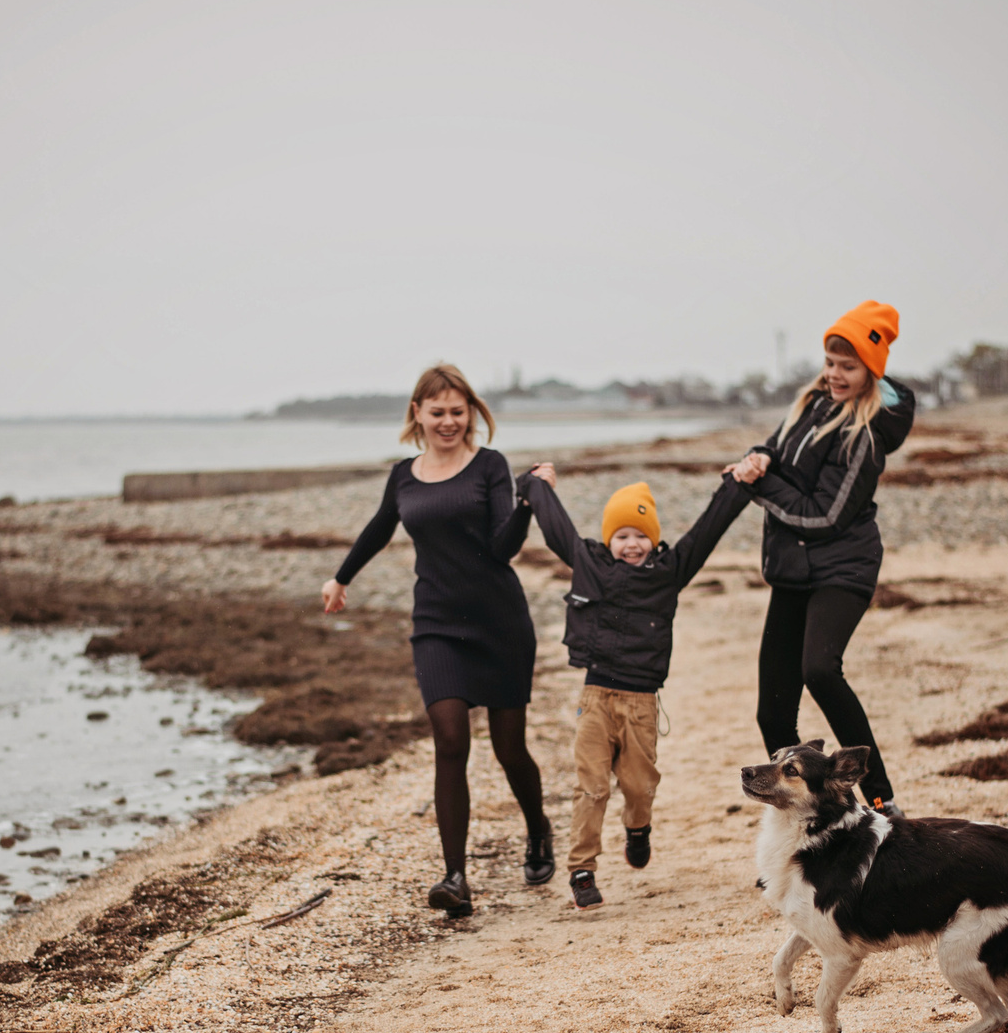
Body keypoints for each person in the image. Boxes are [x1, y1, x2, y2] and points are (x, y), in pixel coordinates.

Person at [324, 364, 555, 917]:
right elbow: (381, 527)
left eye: (458, 411)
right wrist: (341, 577)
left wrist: (525, 503)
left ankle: (539, 828)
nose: (448, 421)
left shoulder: (490, 466)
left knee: (509, 750)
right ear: (417, 415)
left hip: (499, 624)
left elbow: (502, 549)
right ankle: (455, 878)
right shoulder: (403, 474)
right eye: (438, 412)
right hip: (436, 626)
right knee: (450, 739)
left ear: (471, 412)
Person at [519, 466, 759, 907]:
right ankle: (582, 870)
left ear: (654, 539)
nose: (631, 544)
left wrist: (738, 485)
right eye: (622, 535)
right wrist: (535, 484)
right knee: (591, 785)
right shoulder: (590, 564)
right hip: (595, 698)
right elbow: (558, 530)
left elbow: (707, 530)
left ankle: (637, 828)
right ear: (609, 540)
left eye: (640, 535)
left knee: (638, 787)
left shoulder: (669, 571)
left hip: (642, 702)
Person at [733, 300, 918, 808]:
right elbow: (778, 451)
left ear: (870, 372)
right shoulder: (810, 405)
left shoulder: (864, 437)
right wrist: (760, 457)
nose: (835, 374)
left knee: (819, 669)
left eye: (848, 366)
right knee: (772, 712)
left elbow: (825, 514)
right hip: (796, 568)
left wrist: (760, 488)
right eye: (831, 363)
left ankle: (880, 800)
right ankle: (798, 808)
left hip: (843, 565)